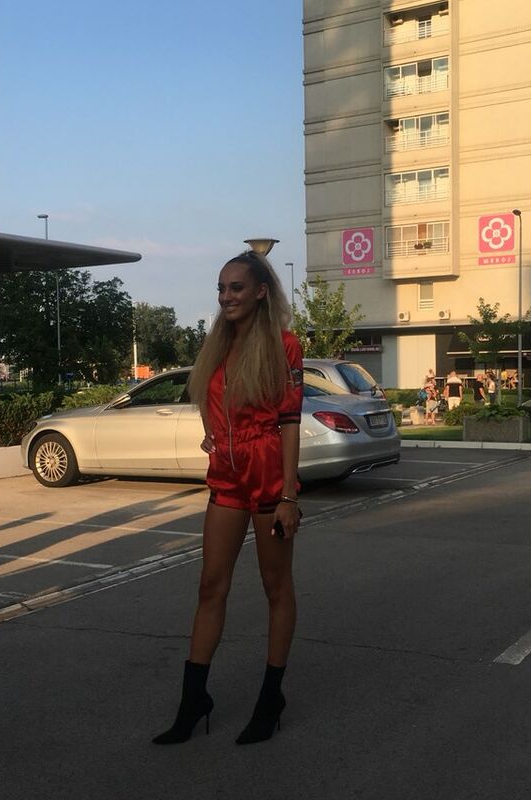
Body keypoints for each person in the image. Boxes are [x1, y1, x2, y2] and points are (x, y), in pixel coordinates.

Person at [153, 250, 302, 746]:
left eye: (236, 288)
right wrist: (212, 432)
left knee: (275, 587)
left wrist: (288, 495)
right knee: (210, 586)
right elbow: (204, 394)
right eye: (221, 288)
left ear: (260, 291)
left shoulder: (284, 346)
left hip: (268, 475)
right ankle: (193, 700)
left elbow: (289, 421)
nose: (226, 297)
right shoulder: (217, 343)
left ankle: (271, 697)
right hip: (227, 476)